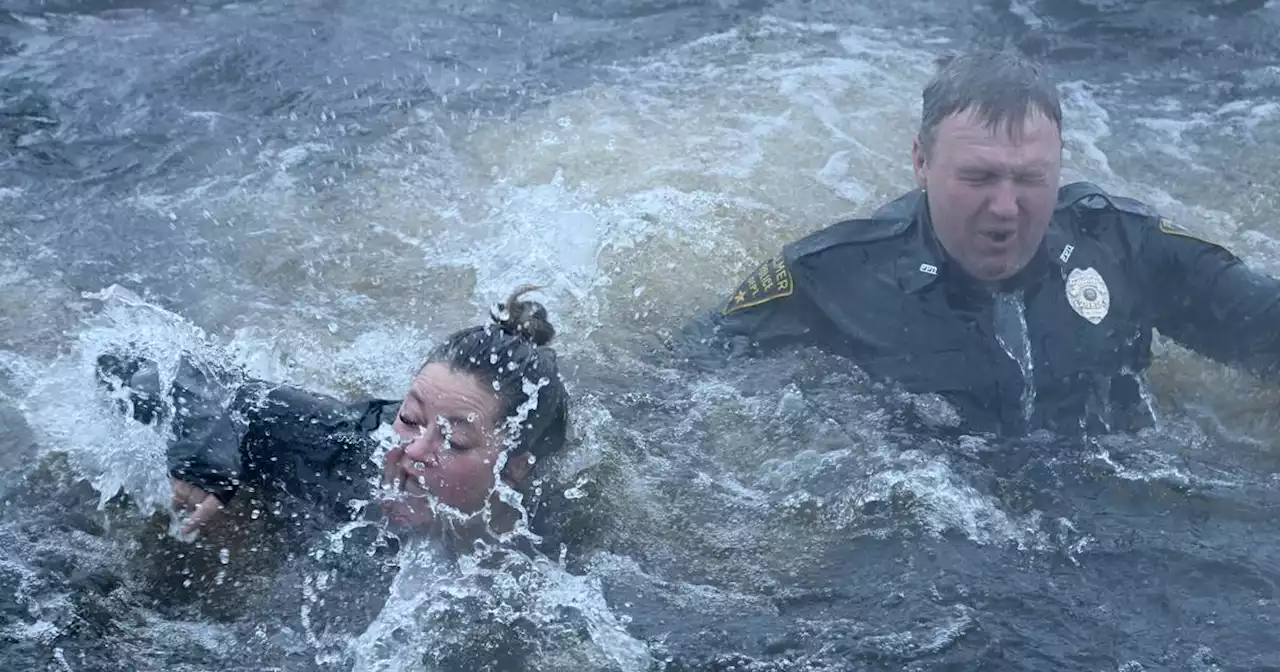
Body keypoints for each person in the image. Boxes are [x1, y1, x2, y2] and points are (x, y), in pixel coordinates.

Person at [673, 50, 1280, 437]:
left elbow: (1266, 327)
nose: (1006, 207)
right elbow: (676, 392)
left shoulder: (1123, 245)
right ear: (920, 162)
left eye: (1030, 179)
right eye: (979, 177)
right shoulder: (831, 278)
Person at [95, 286, 571, 549]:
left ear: (514, 465)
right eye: (410, 418)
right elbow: (142, 360)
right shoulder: (343, 450)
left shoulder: (554, 537)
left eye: (455, 441)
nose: (413, 451)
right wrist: (206, 463)